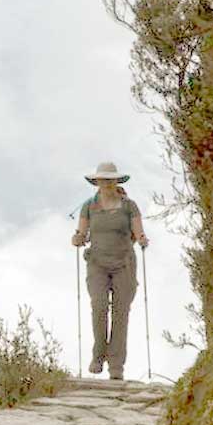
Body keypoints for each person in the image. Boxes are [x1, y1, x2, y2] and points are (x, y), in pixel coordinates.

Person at [71, 161, 149, 380]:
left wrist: (142, 239)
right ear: (96, 182)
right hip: (97, 263)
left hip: (124, 263)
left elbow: (138, 231)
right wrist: (77, 239)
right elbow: (81, 233)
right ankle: (98, 356)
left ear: (116, 181)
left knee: (121, 313)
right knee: (99, 307)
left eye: (110, 180)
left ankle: (116, 365)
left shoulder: (129, 206)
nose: (106, 183)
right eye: (102, 180)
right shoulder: (89, 206)